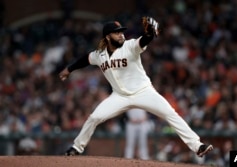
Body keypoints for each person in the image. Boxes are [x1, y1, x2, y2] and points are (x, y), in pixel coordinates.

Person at [59, 16, 213, 157]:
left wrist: (150, 34)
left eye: (121, 32)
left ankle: (197, 146)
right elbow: (85, 59)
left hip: (143, 92)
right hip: (119, 96)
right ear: (107, 37)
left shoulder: (130, 46)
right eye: (116, 33)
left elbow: (143, 40)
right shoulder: (99, 55)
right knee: (94, 117)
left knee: (170, 113)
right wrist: (68, 69)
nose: (121, 34)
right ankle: (76, 148)